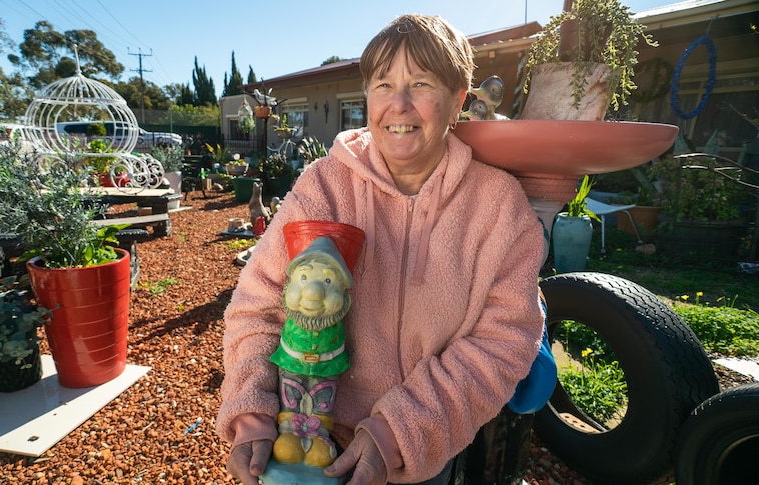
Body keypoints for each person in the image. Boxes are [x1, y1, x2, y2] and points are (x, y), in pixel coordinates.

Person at [217, 14, 546, 485]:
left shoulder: (498, 209)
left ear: (458, 101)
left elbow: (504, 341)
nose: (399, 104)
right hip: (302, 439)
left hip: (419, 450)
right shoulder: (324, 187)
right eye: (384, 84)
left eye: (421, 84)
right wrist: (253, 413)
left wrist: (397, 432)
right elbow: (259, 304)